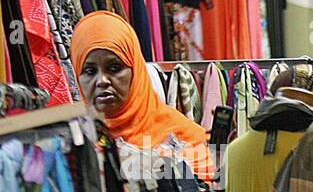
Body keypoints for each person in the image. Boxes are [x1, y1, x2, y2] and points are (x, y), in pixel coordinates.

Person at [71, 11, 214, 178]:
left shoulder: (184, 137)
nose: (102, 81)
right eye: (89, 71)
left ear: (136, 70)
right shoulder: (71, 144)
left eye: (115, 68)